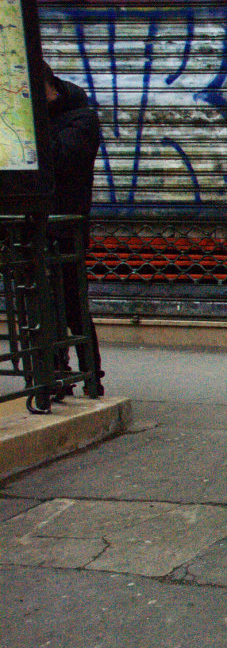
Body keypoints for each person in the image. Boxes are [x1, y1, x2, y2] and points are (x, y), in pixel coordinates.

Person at [43, 62, 104, 397]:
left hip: (67, 228)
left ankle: (91, 375)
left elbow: (62, 160)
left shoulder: (81, 119)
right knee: (44, 306)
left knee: (73, 304)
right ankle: (56, 375)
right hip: (35, 226)